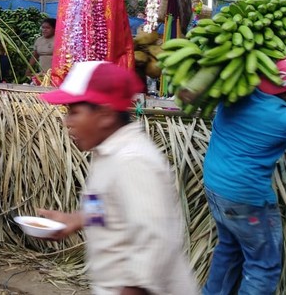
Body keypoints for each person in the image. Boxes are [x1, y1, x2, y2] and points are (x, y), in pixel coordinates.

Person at [36, 60, 198, 294]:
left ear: (105, 114)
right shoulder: (107, 152)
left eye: (74, 112)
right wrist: (75, 219)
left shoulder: (133, 161)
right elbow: (112, 205)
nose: (67, 122)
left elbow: (154, 243)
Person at [202, 54, 286, 294]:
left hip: (215, 185)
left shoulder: (237, 92)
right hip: (246, 198)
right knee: (263, 266)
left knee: (229, 250)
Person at [27, 18, 55, 83]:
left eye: (48, 28)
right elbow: (34, 56)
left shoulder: (58, 40)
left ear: (54, 29)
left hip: (54, 75)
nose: (44, 30)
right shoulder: (39, 40)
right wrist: (28, 69)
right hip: (42, 75)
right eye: (43, 27)